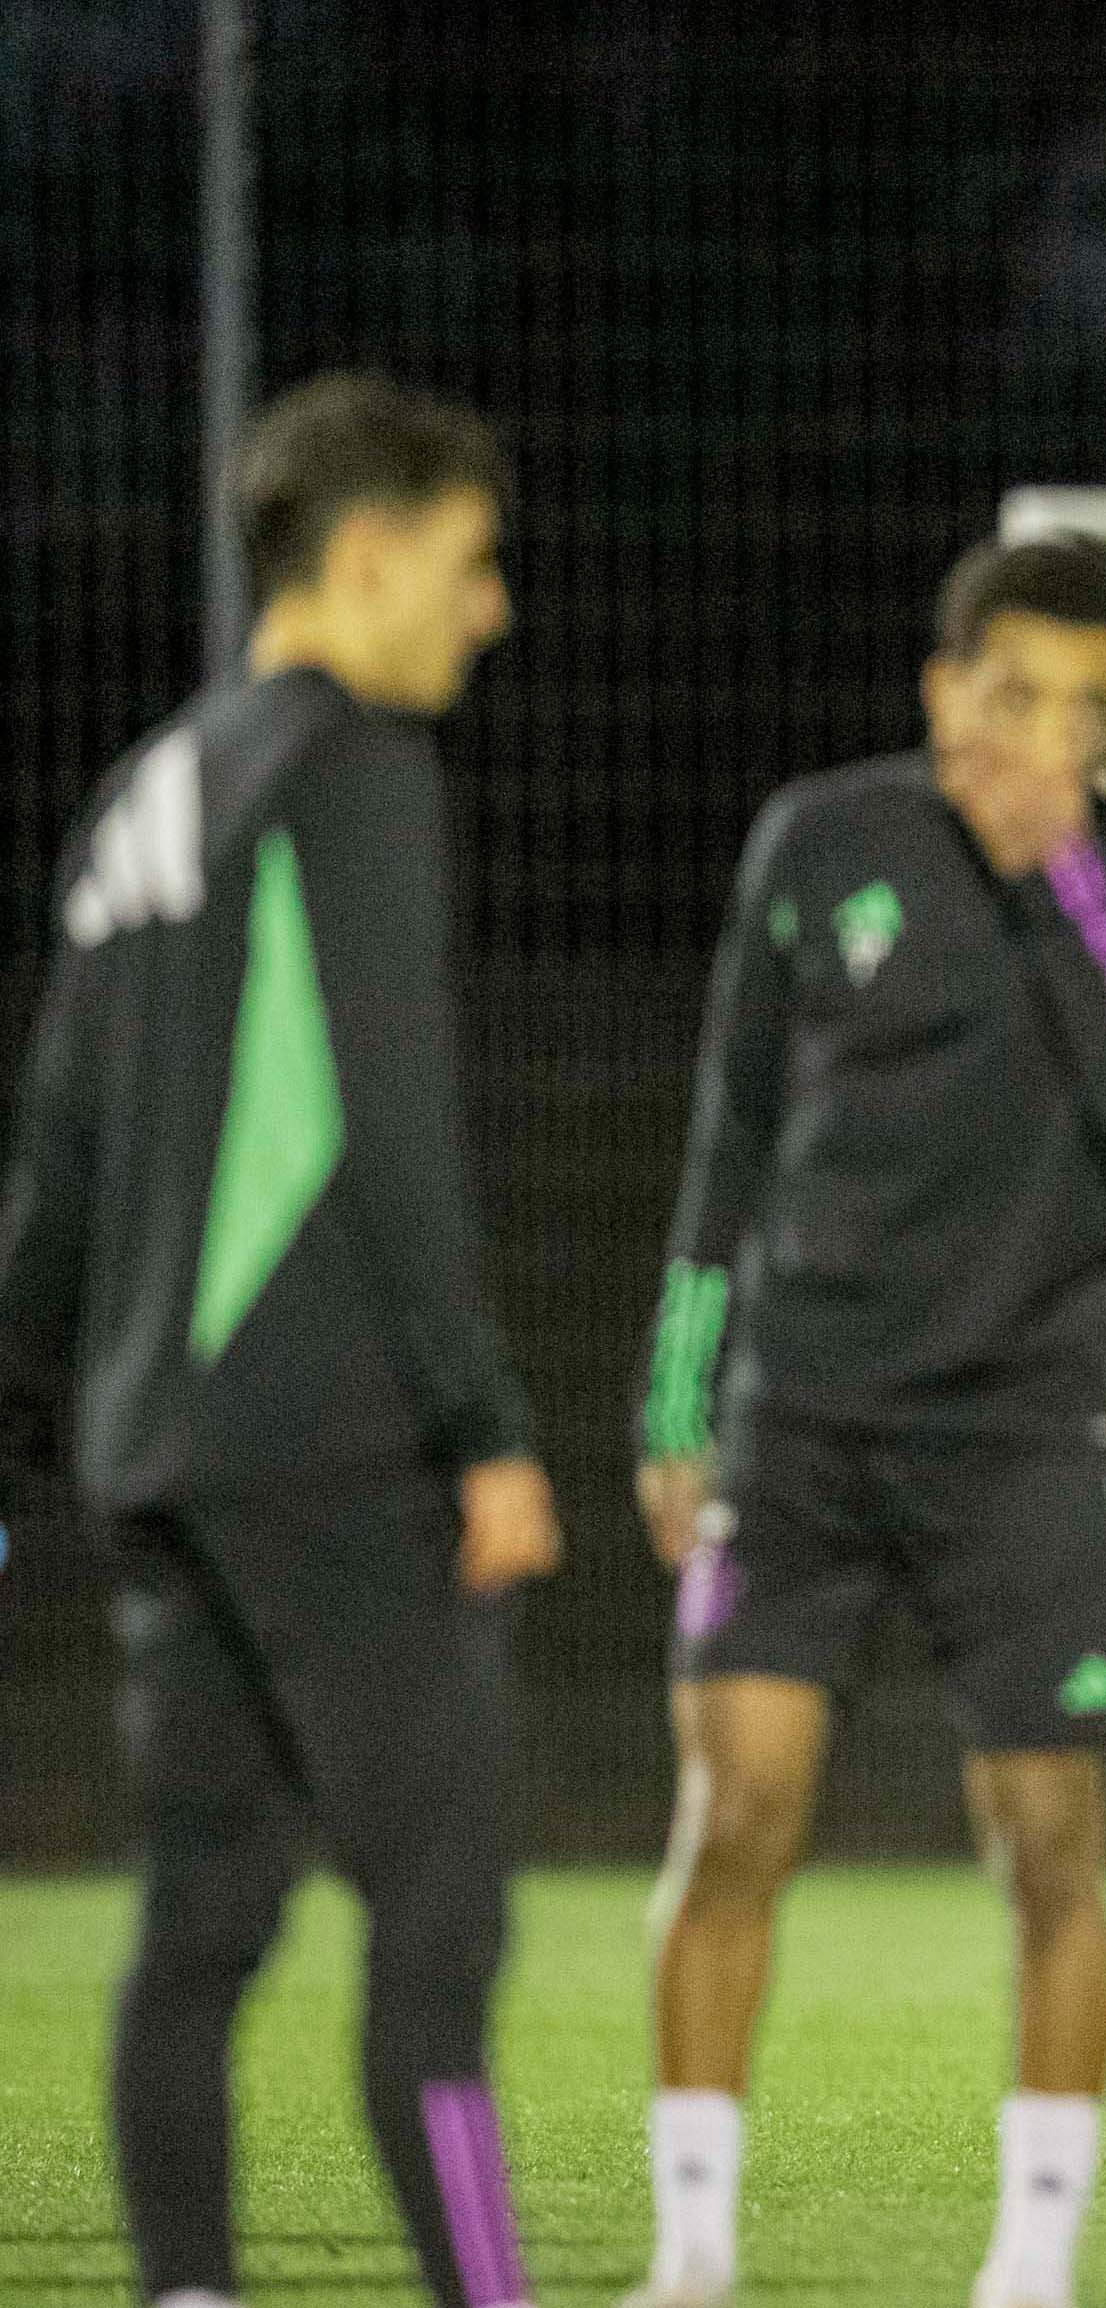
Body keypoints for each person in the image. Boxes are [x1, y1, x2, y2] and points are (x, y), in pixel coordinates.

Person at [0, 373, 561, 2308]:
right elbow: (390, 1138)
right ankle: (489, 2292)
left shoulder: (150, 787)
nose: (490, 613)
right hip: (331, 1443)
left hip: (159, 1447)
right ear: (371, 552)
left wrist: (43, 1422)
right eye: (475, 568)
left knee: (202, 1923)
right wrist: (483, 1426)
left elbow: (56, 1173)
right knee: (442, 1926)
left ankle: (187, 2291)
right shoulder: (354, 773)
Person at [623, 539, 1106, 2308]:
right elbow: (727, 1139)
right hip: (799, 1433)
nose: (1044, 738)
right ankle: (693, 2248)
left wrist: (1069, 892)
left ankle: (1032, 2266)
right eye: (1013, 694)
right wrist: (673, 1397)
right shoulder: (821, 841)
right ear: (942, 691)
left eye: (1089, 712)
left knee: (1051, 1851)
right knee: (737, 1820)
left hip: (1026, 1443)